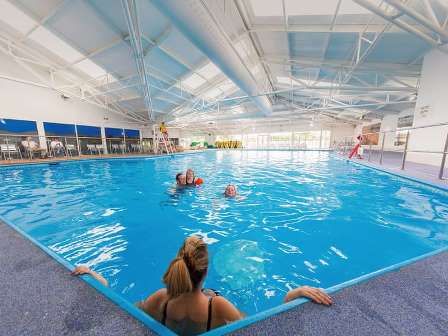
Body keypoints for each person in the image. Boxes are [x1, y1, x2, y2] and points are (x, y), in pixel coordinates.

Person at [73, 236, 332, 335]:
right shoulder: (218, 306)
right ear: (206, 272)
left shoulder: (160, 298)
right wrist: (295, 292)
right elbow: (261, 326)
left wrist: (94, 276)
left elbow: (120, 308)